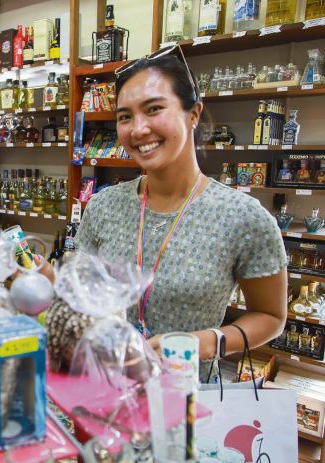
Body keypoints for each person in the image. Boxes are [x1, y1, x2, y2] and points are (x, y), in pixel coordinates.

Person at [42, 45, 288, 379]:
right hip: (104, 390)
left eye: (154, 109)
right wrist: (52, 285)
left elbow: (271, 317)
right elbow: (85, 297)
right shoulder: (103, 206)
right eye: (125, 116)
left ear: (194, 114)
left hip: (185, 402)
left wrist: (204, 343)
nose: (138, 129)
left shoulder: (244, 218)